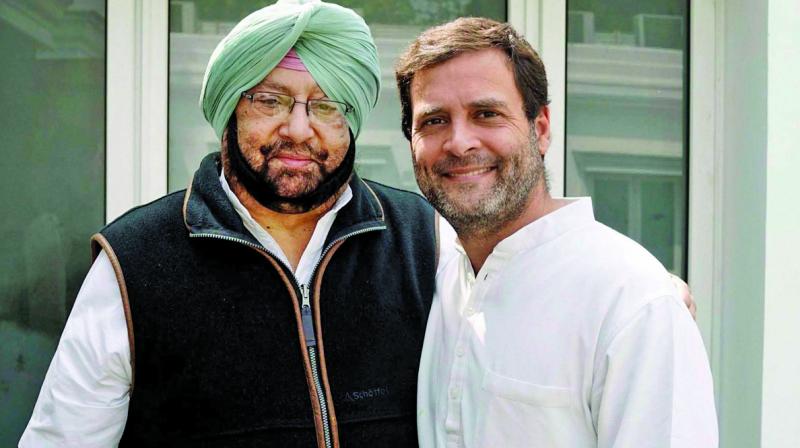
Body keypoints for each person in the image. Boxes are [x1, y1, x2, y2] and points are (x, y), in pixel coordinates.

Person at [20, 1, 435, 446]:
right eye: (269, 100)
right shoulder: (134, 263)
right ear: (229, 110)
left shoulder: (422, 239)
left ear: (350, 121)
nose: (298, 128)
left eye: (327, 105)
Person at [395, 17, 718, 447]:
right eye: (434, 121)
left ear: (540, 128)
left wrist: (652, 296)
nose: (459, 142)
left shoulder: (631, 300)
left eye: (486, 114)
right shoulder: (431, 270)